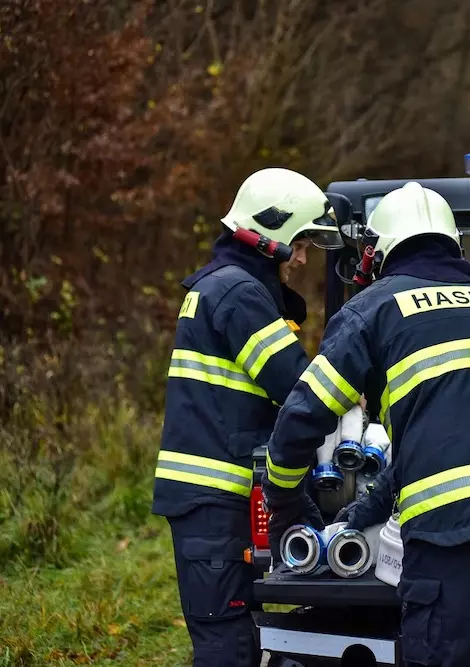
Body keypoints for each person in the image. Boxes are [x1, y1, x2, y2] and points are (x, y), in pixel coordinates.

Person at [261, 181, 470, 667]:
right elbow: (435, 445)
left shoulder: (374, 309)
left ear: (379, 251)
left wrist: (283, 497)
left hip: (450, 533)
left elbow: (305, 414)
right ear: (454, 244)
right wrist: (365, 512)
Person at [152, 167, 346, 667]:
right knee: (227, 642)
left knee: (241, 635)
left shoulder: (228, 285)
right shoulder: (238, 294)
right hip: (211, 499)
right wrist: (356, 397)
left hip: (212, 499)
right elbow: (298, 385)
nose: (302, 258)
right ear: (270, 237)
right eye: (299, 244)